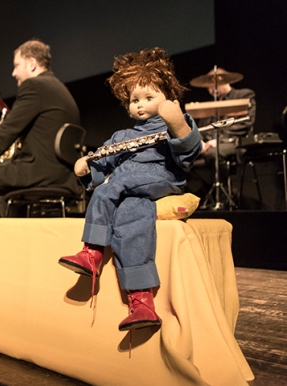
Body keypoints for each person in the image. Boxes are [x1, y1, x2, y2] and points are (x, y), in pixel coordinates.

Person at [58, 48, 202, 331]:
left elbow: (189, 152)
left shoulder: (174, 121)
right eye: (134, 100)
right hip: (131, 191)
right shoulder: (121, 136)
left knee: (117, 184)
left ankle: (92, 251)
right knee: (130, 216)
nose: (140, 105)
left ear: (167, 96)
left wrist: (177, 124)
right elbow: (103, 163)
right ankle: (142, 302)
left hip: (163, 178)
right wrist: (88, 167)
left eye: (149, 98)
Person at [0, 39, 81, 218]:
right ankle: (16, 240)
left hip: (40, 172)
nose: (13, 73)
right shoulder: (59, 88)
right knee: (0, 193)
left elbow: (7, 131)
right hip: (63, 174)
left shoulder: (35, 86)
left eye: (16, 66)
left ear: (32, 64)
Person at [186, 68, 256, 203]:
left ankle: (225, 196)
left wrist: (218, 140)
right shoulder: (211, 104)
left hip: (235, 143)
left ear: (224, 82)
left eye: (213, 86)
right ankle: (204, 196)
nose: (211, 90)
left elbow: (245, 124)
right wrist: (200, 142)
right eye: (208, 87)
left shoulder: (244, 95)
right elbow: (202, 129)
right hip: (209, 146)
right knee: (183, 160)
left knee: (213, 154)